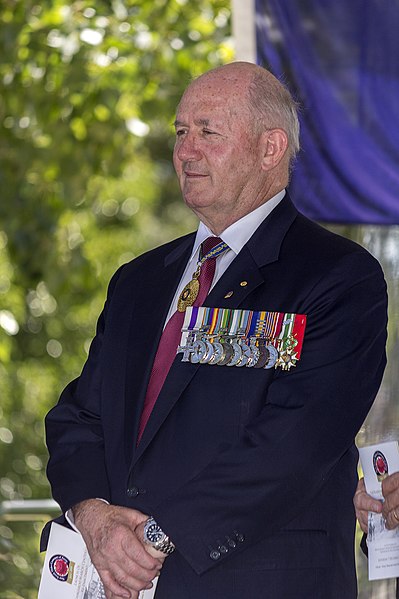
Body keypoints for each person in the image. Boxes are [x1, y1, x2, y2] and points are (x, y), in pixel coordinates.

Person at [42, 61, 388, 599]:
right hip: (111, 576)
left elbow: (294, 444)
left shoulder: (337, 276)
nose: (186, 151)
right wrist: (94, 516)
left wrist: (156, 538)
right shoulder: (138, 281)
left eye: (209, 132)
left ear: (271, 149)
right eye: (181, 132)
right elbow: (79, 416)